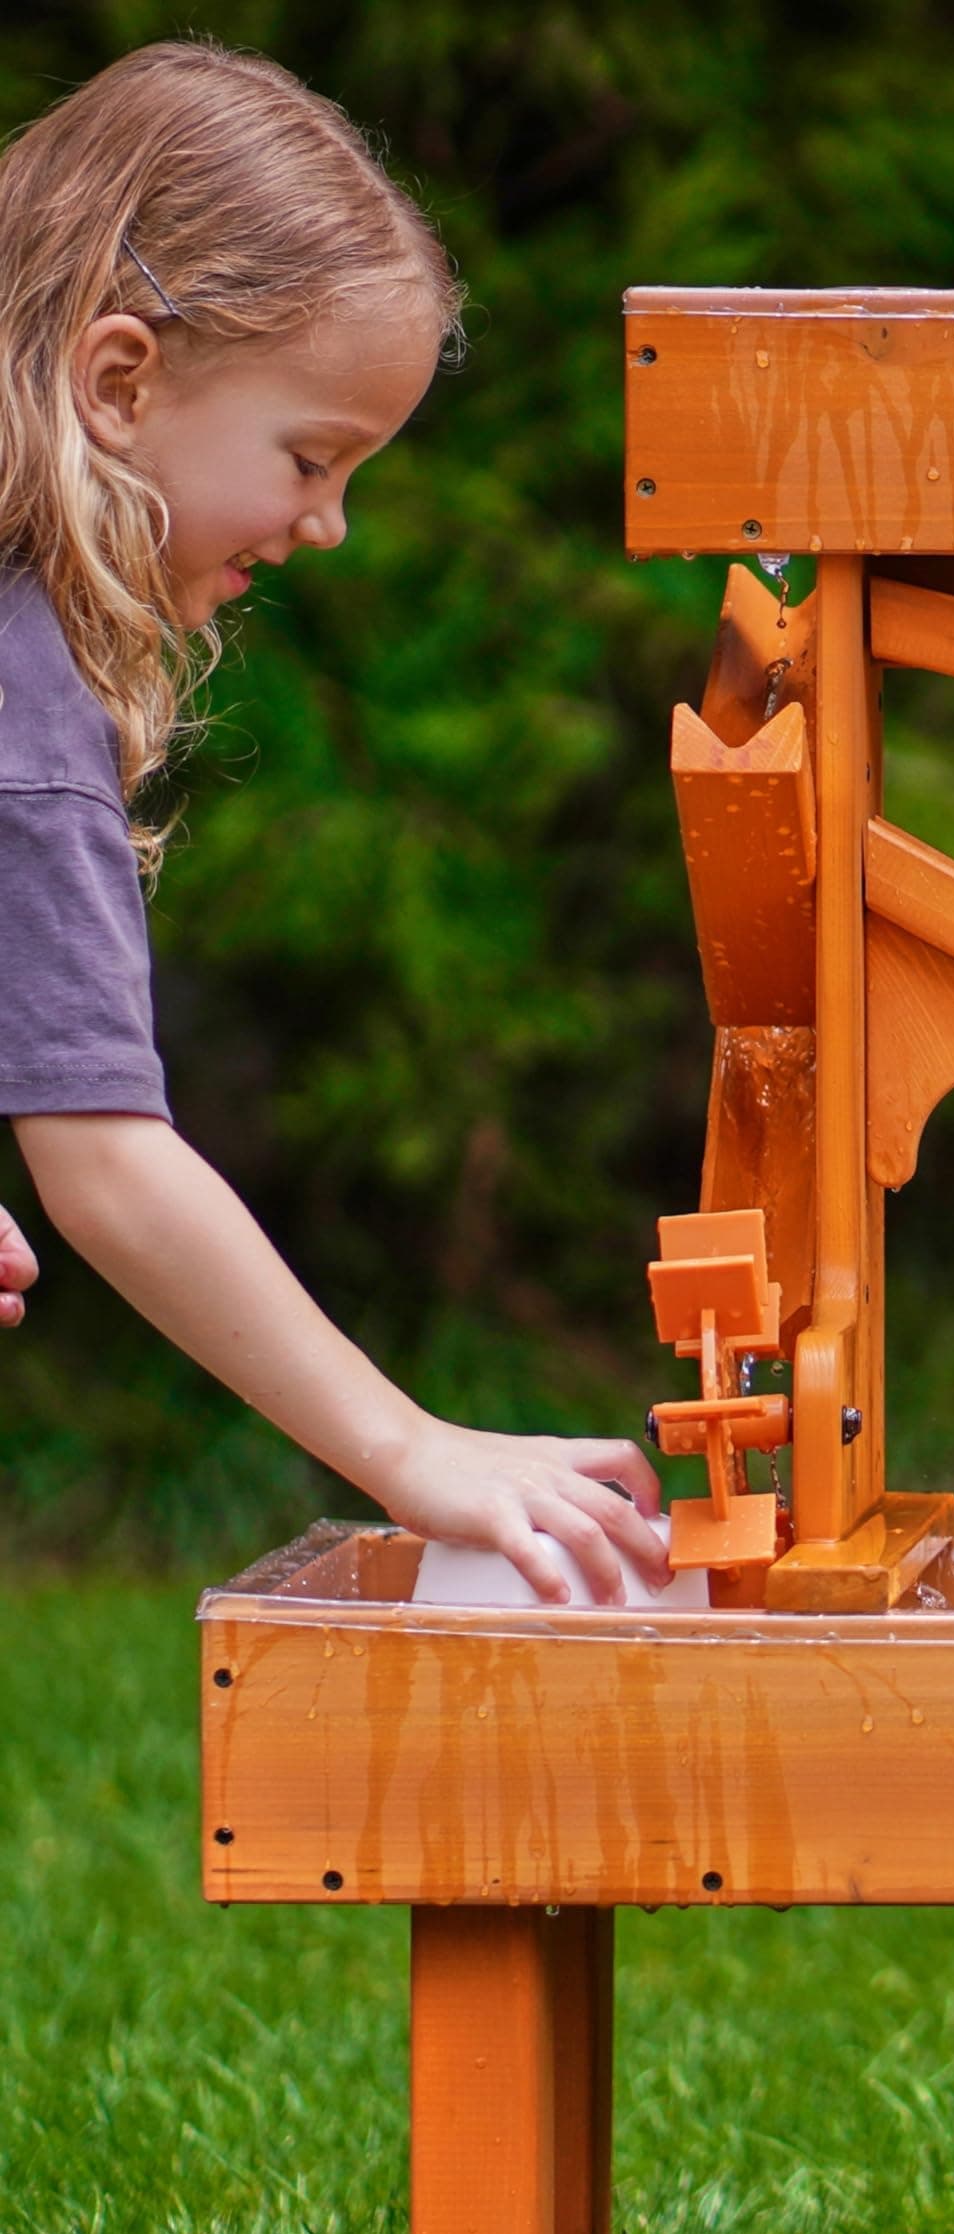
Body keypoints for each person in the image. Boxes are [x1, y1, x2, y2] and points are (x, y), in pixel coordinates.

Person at [0, 42, 667, 1611]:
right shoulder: (26, 709)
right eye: (311, 458)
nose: (329, 522)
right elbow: (104, 1165)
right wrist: (409, 1446)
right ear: (118, 381)